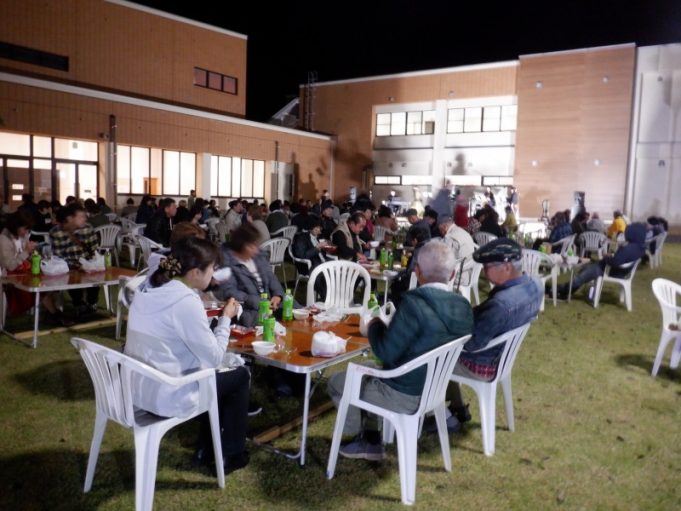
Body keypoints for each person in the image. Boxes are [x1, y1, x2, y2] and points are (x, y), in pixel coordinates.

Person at [327, 241, 473, 460]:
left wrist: (375, 324)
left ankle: (360, 437)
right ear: (452, 274)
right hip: (435, 388)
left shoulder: (413, 304)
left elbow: (384, 352)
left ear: (417, 271)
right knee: (365, 369)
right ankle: (371, 436)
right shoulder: (463, 305)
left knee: (338, 382)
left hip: (404, 393)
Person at [124, 236, 250, 475]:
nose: (214, 274)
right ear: (195, 272)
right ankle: (231, 454)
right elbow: (214, 357)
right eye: (212, 268)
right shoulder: (184, 301)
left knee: (215, 377)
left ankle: (205, 448)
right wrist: (225, 318)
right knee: (239, 376)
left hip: (138, 388)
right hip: (167, 394)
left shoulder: (148, 288)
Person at [443, 238, 543, 432]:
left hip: (484, 363)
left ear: (506, 267)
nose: (483, 271)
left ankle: (443, 417)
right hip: (503, 357)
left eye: (487, 267)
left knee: (430, 357)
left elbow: (471, 345)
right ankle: (457, 407)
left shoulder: (501, 304)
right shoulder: (535, 284)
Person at [0, 213, 74, 326]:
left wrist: (35, 253)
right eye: (25, 229)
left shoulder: (21, 235)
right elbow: (10, 266)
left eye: (28, 229)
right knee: (40, 285)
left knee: (51, 280)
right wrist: (26, 252)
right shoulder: (4, 240)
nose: (26, 232)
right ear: (16, 227)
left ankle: (53, 314)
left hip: (24, 271)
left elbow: (27, 257)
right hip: (9, 276)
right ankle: (55, 314)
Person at [213, 223, 284, 327]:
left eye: (256, 245)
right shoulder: (225, 261)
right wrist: (258, 302)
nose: (255, 249)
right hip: (248, 309)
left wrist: (277, 295)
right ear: (241, 245)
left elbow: (271, 277)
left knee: (295, 312)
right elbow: (229, 291)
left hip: (270, 304)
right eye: (251, 246)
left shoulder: (257, 256)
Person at [555, 222, 646, 300]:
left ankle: (562, 290)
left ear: (633, 233)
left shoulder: (628, 249)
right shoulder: (639, 248)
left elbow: (615, 262)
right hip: (619, 271)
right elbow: (621, 259)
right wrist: (612, 255)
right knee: (585, 268)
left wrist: (606, 258)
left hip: (608, 270)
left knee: (582, 276)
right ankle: (565, 289)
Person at [49, 203, 101, 317]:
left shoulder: (88, 228)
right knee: (71, 274)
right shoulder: (56, 232)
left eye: (85, 216)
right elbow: (58, 256)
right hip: (68, 265)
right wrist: (77, 265)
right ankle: (79, 303)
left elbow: (94, 250)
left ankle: (92, 302)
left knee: (95, 273)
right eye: (81, 216)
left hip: (87, 262)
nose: (85, 219)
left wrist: (89, 264)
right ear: (70, 218)